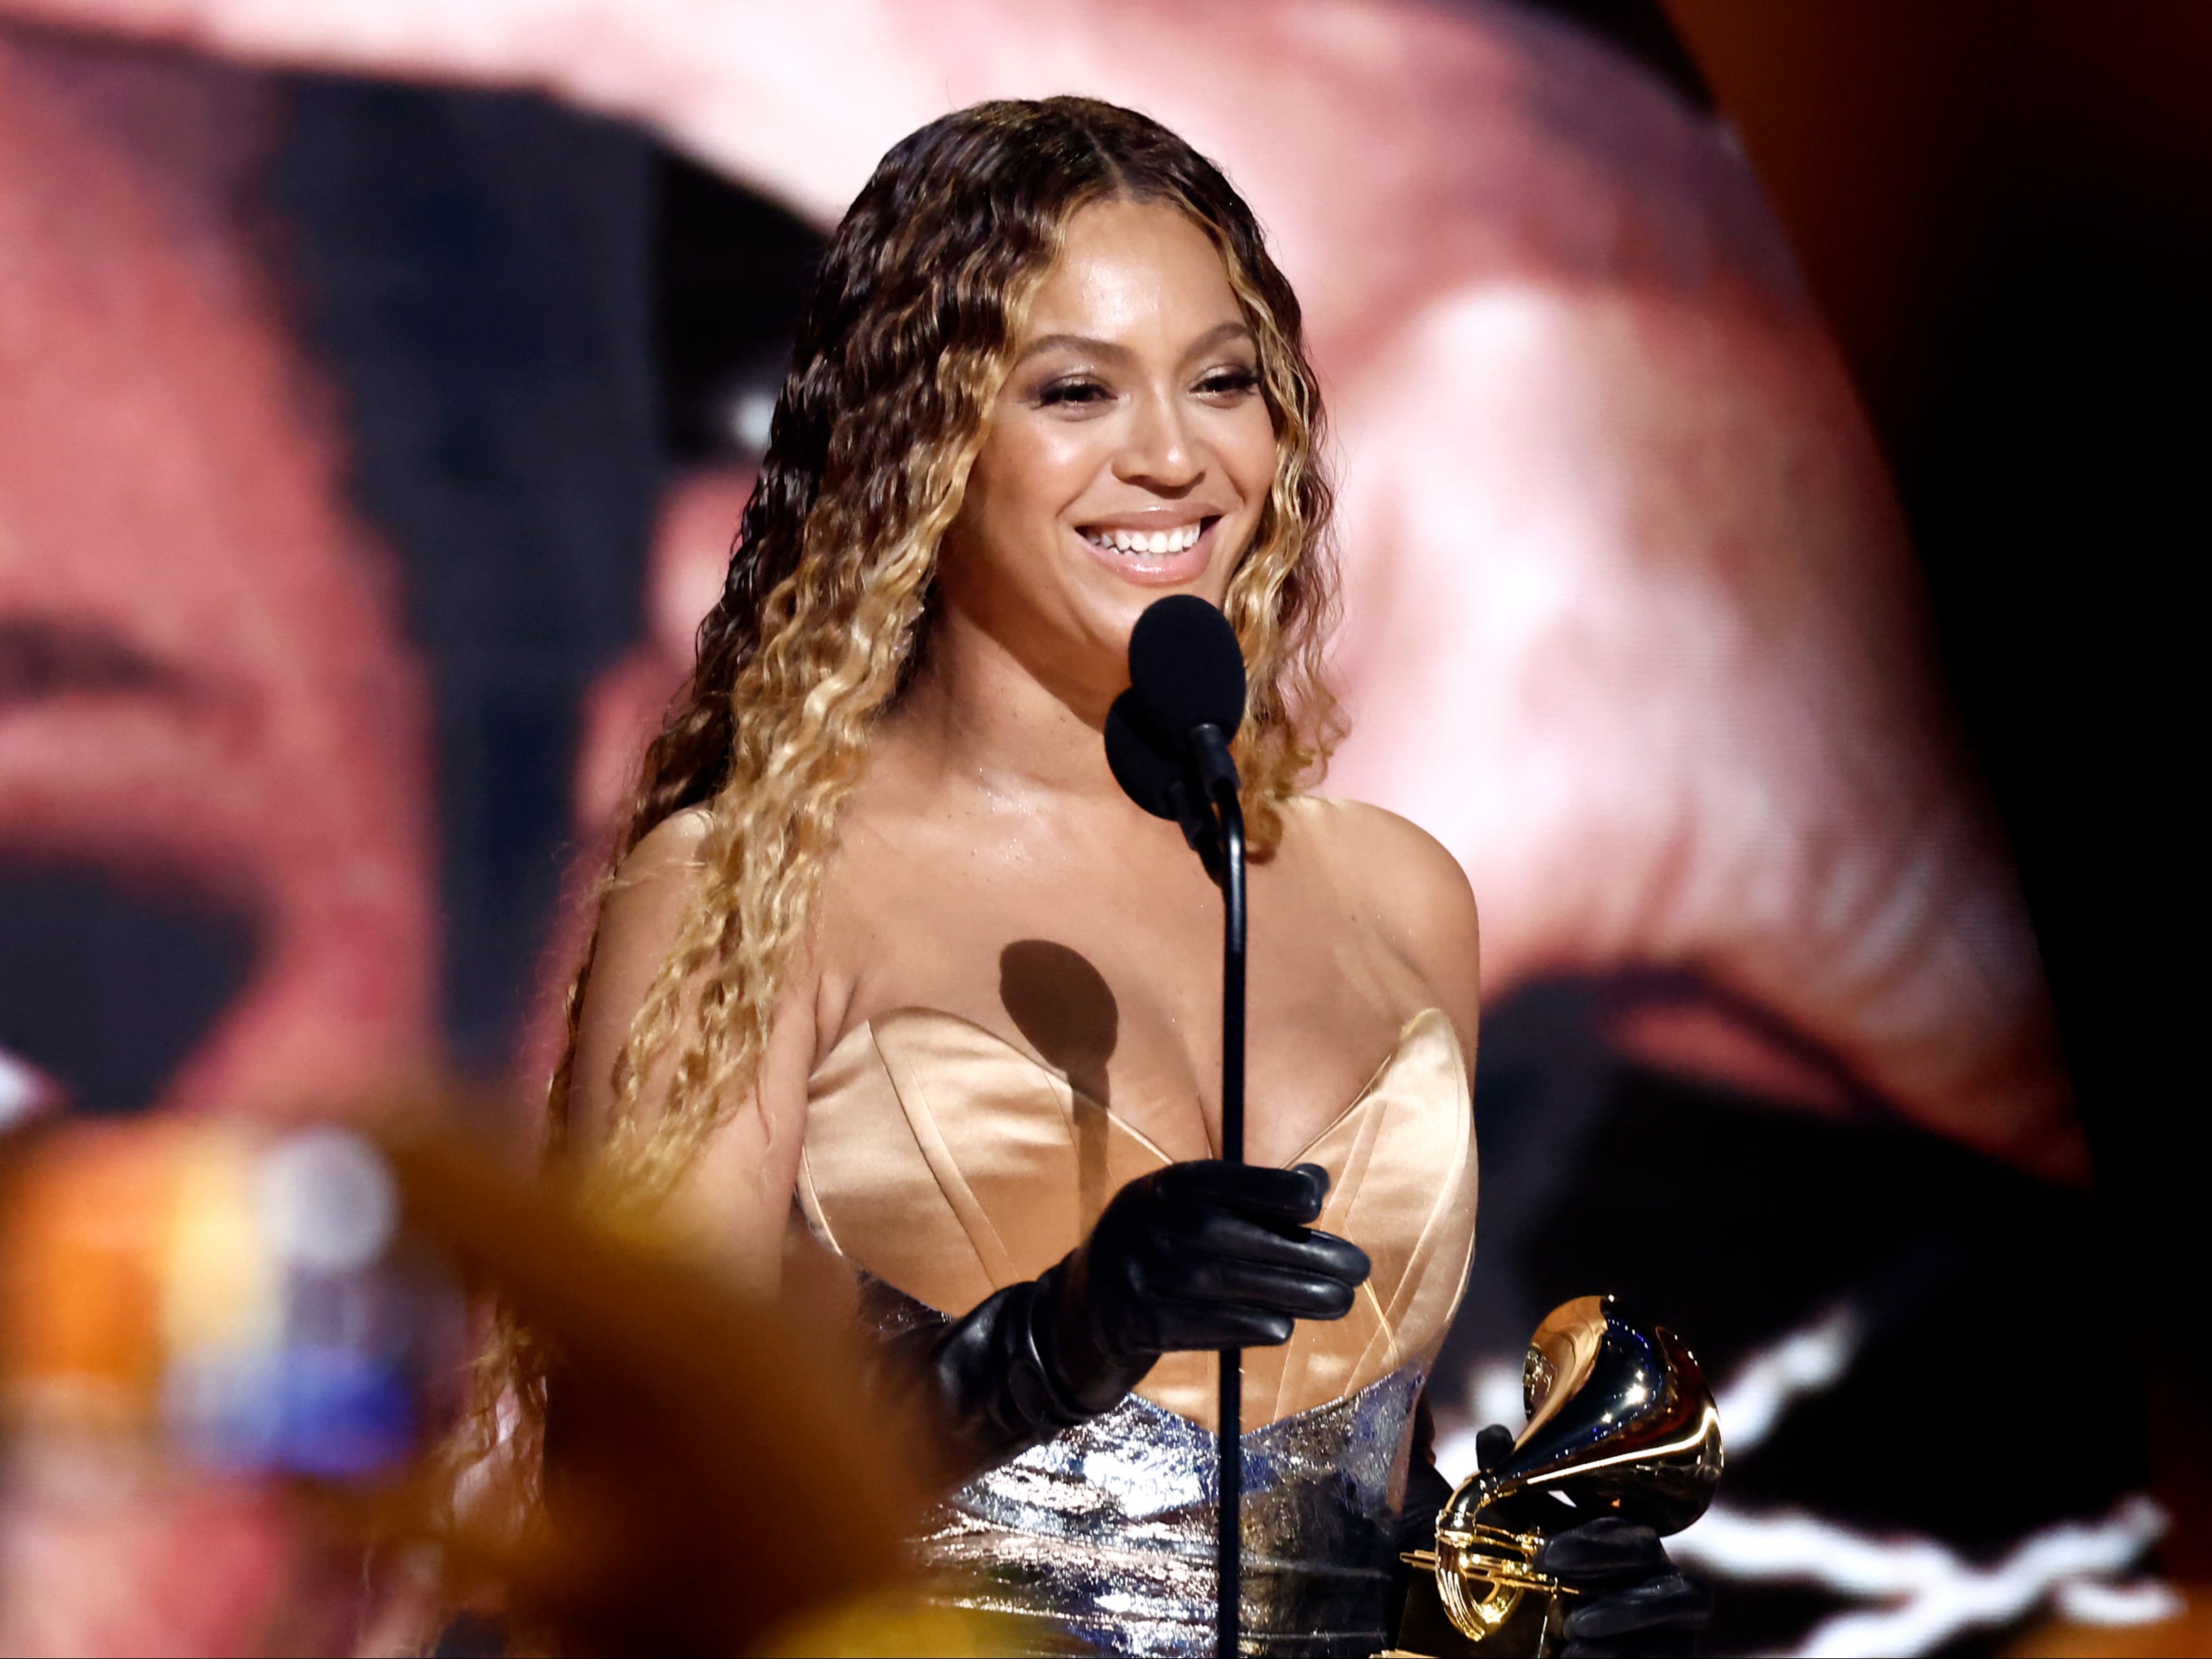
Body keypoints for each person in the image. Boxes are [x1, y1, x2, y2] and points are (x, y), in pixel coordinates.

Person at [535, 98, 1706, 1657]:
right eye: (1074, 389)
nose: (1171, 454)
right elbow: (635, 1513)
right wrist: (1032, 1350)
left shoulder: (1400, 897)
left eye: (1222, 380)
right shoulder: (746, 884)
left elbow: (1296, 1512)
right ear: (920, 444)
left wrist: (1499, 1596)